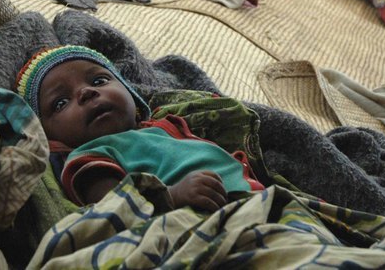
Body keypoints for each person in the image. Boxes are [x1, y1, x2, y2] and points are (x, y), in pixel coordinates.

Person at [15, 45, 264, 209]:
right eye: (60, 102)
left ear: (133, 97)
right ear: (50, 138)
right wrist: (172, 196)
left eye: (99, 81)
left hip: (262, 201)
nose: (86, 92)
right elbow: (112, 208)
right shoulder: (90, 156)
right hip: (209, 220)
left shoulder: (166, 125)